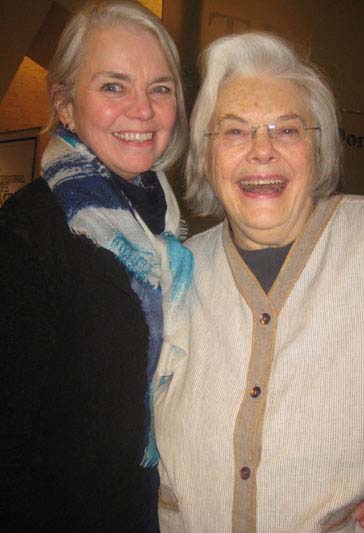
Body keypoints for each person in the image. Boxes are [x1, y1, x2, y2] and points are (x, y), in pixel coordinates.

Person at [154, 32, 364, 532]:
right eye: (235, 132)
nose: (261, 151)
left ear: (320, 147)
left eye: (286, 130)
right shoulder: (170, 270)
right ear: (205, 157)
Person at [0, 1, 192, 532]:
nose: (143, 110)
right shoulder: (31, 232)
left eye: (160, 87)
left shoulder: (168, 230)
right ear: (65, 105)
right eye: (113, 86)